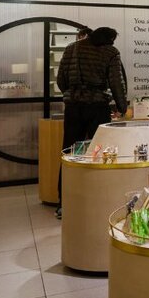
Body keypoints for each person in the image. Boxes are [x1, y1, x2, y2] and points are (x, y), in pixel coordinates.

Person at [56, 27, 128, 218]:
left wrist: (72, 93)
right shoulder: (110, 52)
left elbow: (61, 79)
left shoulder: (71, 48)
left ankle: (64, 202)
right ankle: (98, 199)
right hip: (97, 105)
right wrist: (122, 107)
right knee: (100, 150)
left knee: (69, 152)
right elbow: (116, 82)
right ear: (109, 39)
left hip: (73, 106)